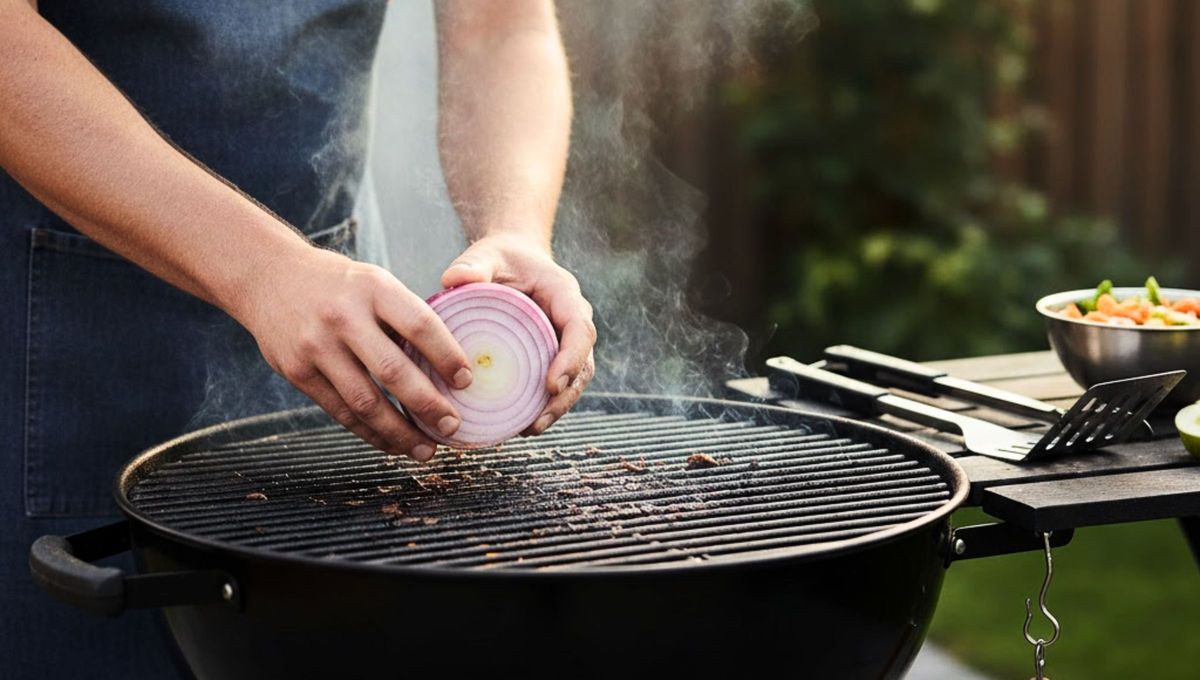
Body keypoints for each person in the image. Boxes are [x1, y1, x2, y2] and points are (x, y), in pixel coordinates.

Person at [0, 1, 595, 677]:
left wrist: (515, 230)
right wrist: (264, 271)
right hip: (75, 339)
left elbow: (500, 26)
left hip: (337, 310)